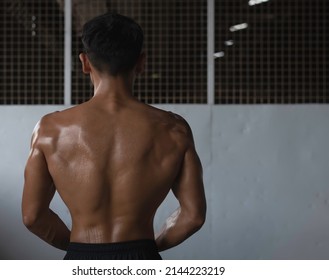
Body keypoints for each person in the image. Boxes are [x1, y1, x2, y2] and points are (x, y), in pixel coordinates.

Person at [21, 12, 206, 260]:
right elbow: (193, 215)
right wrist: (150, 248)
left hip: (81, 256)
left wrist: (80, 248)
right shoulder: (173, 129)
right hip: (141, 256)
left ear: (85, 63)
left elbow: (32, 216)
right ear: (141, 63)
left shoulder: (49, 130)